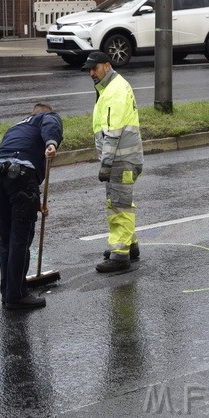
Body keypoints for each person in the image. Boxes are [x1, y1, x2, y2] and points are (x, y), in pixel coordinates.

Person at [0, 103, 63, 310]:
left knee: (7, 239)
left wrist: (36, 204)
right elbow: (51, 122)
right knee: (21, 237)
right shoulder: (45, 118)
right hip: (21, 175)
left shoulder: (15, 128)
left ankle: (8, 291)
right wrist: (52, 143)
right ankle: (17, 295)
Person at [82, 51, 144, 273]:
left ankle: (120, 256)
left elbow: (113, 132)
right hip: (127, 158)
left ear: (106, 66)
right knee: (122, 203)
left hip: (120, 160)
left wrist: (106, 164)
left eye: (94, 68)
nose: (91, 73)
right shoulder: (113, 86)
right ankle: (129, 246)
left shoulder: (114, 92)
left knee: (119, 207)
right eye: (89, 70)